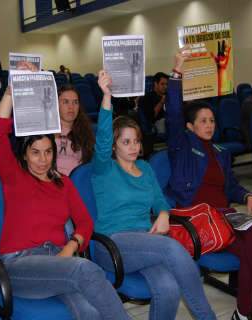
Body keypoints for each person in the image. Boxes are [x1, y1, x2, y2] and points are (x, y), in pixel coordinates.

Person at [0, 61, 131, 320]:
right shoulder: (14, 177)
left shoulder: (63, 184)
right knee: (85, 271)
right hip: (19, 265)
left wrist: (71, 245)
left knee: (89, 310)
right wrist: (11, 91)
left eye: (48, 152)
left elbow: (85, 222)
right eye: (35, 153)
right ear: (24, 155)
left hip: (58, 259)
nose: (42, 160)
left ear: (55, 153)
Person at [92, 70, 216, 320]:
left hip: (144, 241)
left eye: (136, 141)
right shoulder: (103, 168)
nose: (134, 147)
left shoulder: (146, 169)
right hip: (112, 243)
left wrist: (162, 213)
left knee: (168, 288)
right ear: (115, 145)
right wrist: (107, 97)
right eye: (126, 142)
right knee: (172, 249)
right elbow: (103, 138)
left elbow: (160, 200)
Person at [166, 49, 252, 320]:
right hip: (198, 217)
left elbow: (232, 186)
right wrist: (177, 71)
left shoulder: (221, 152)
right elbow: (174, 113)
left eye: (212, 120)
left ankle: (245, 310)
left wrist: (248, 195)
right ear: (189, 127)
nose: (210, 125)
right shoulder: (182, 145)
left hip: (223, 217)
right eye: (203, 121)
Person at [56, 84, 95, 175]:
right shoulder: (47, 131)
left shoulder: (85, 132)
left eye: (75, 102)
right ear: (56, 105)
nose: (71, 107)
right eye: (65, 102)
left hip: (78, 182)